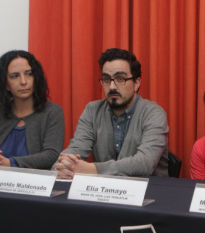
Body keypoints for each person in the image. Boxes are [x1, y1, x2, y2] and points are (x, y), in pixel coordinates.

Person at [53, 48, 169, 179]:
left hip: (149, 193)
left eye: (120, 79)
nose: (112, 86)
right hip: (104, 193)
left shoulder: (154, 114)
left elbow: (145, 163)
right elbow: (76, 149)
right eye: (107, 79)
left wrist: (93, 169)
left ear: (136, 83)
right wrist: (64, 166)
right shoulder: (93, 110)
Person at [0, 50, 64, 170]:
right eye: (15, 76)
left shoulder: (52, 112)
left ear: (36, 77)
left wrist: (10, 163)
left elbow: (51, 155)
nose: (23, 82)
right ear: (5, 84)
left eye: (29, 74)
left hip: (32, 184)